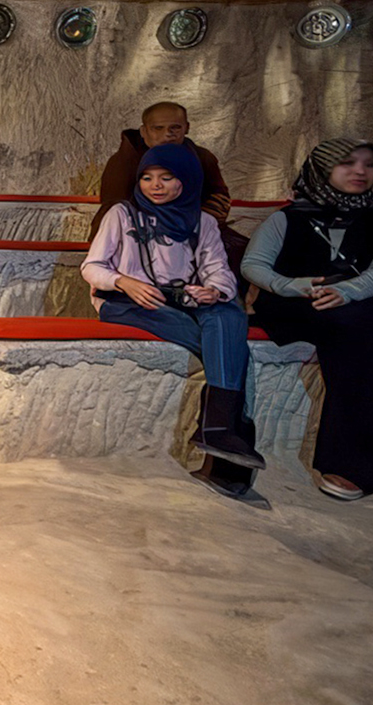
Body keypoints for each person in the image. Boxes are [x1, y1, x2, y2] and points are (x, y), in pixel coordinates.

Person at [81, 142, 266, 495]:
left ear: (188, 181)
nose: (156, 185)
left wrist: (214, 291)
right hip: (127, 299)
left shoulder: (203, 221)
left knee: (228, 314)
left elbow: (220, 271)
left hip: (182, 299)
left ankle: (217, 430)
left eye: (167, 177)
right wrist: (123, 281)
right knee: (226, 348)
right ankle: (222, 439)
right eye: (148, 177)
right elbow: (92, 267)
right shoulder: (121, 214)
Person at [242, 138, 373, 500]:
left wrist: (348, 291)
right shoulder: (286, 217)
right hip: (295, 302)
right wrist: (291, 285)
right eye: (347, 163)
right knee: (362, 326)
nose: (360, 172)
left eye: (369, 164)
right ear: (323, 169)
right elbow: (253, 264)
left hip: (358, 302)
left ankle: (360, 458)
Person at [90, 102, 250, 283]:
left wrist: (193, 224)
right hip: (137, 230)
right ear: (144, 131)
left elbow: (218, 197)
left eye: (175, 127)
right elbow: (115, 206)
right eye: (158, 128)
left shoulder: (201, 157)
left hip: (192, 225)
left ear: (187, 128)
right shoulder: (124, 162)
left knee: (245, 255)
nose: (167, 134)